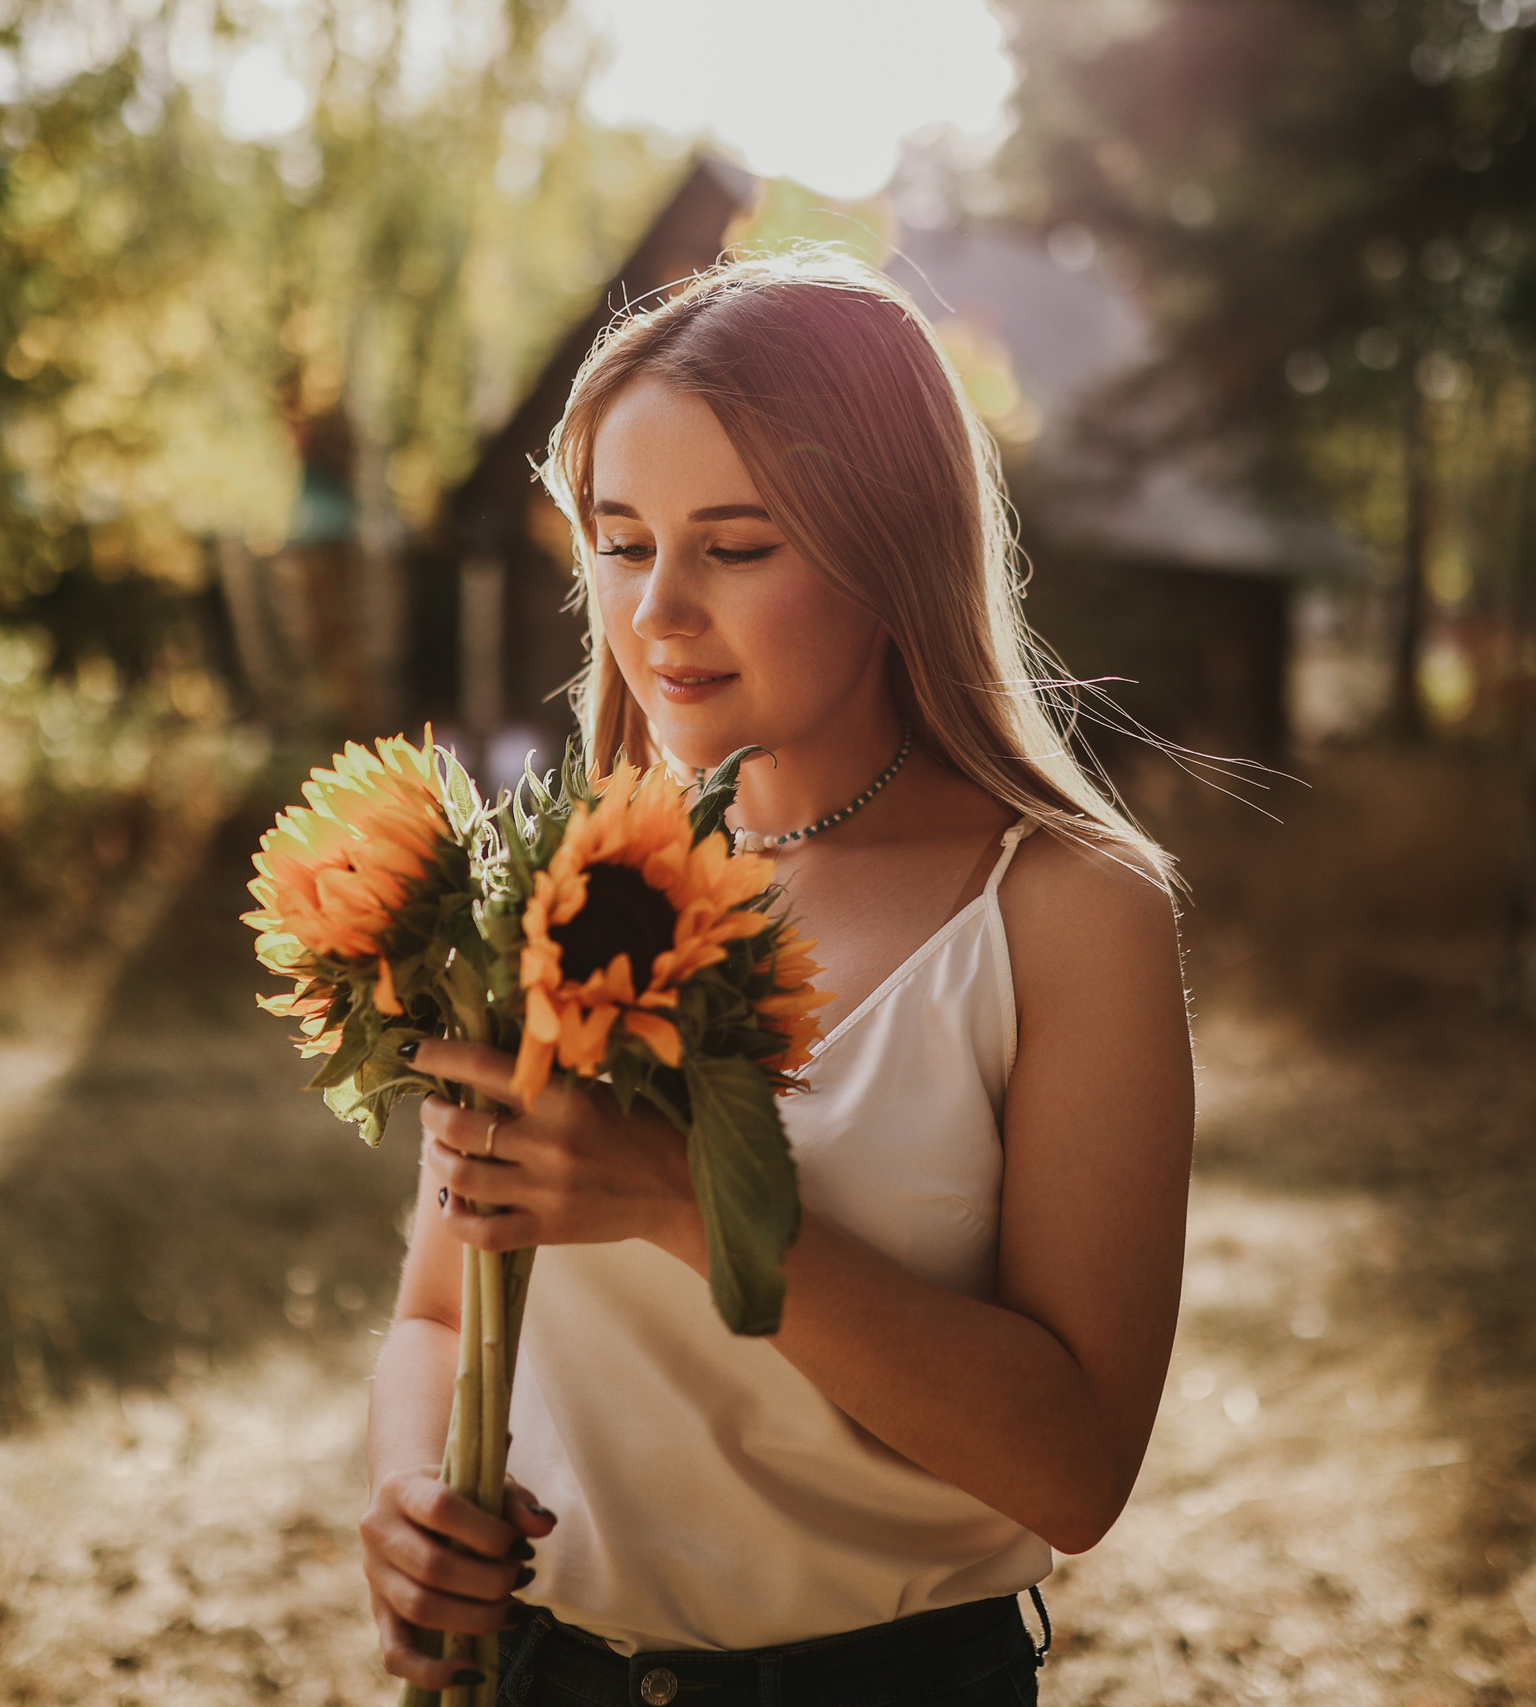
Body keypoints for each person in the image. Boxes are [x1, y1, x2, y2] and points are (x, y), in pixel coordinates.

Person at [358, 252, 1194, 1705]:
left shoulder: (1068, 911)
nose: (661, 611)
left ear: (893, 548)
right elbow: (438, 1310)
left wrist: (684, 1202)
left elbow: (1075, 1470)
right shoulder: (563, 876)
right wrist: (407, 1500)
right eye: (620, 543)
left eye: (737, 547)